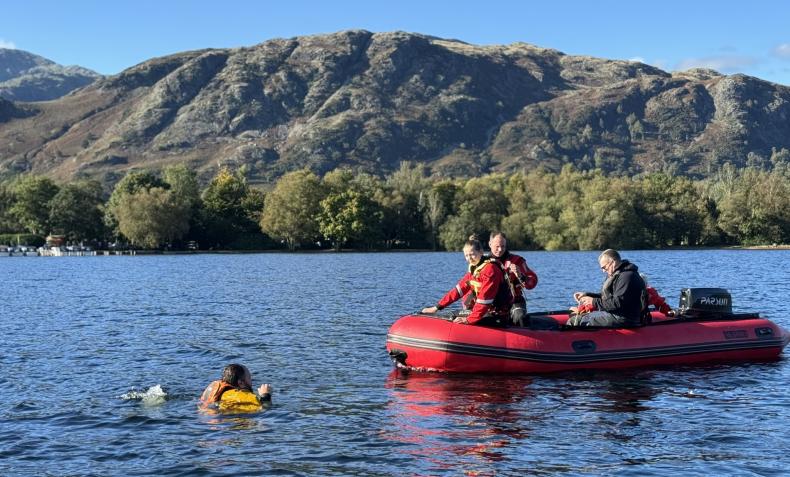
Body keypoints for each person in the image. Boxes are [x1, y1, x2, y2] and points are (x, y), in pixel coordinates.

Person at [421, 235, 511, 325]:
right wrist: (437, 307)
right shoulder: (475, 269)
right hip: (486, 312)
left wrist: (468, 320)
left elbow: (485, 300)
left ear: (481, 252)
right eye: (466, 256)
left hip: (496, 315)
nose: (469, 258)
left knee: (453, 316)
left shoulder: (490, 270)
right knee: (451, 314)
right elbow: (458, 290)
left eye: (472, 254)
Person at [569, 249, 647, 327]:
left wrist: (593, 302)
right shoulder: (619, 274)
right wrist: (587, 295)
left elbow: (617, 303)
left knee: (575, 320)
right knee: (577, 316)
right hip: (616, 314)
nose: (603, 271)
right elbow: (608, 298)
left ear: (613, 262)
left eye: (604, 267)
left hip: (623, 318)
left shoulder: (626, 277)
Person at [488, 232, 538, 326]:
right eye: (497, 246)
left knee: (520, 317)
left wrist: (521, 276)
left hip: (515, 302)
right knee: (484, 320)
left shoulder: (517, 261)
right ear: (490, 244)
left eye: (503, 246)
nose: (500, 249)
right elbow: (471, 283)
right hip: (491, 305)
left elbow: (532, 282)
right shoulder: (484, 263)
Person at [199, 363, 272, 412]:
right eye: (249, 378)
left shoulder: (222, 393)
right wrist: (265, 395)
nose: (251, 381)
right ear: (241, 383)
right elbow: (263, 410)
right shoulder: (244, 396)